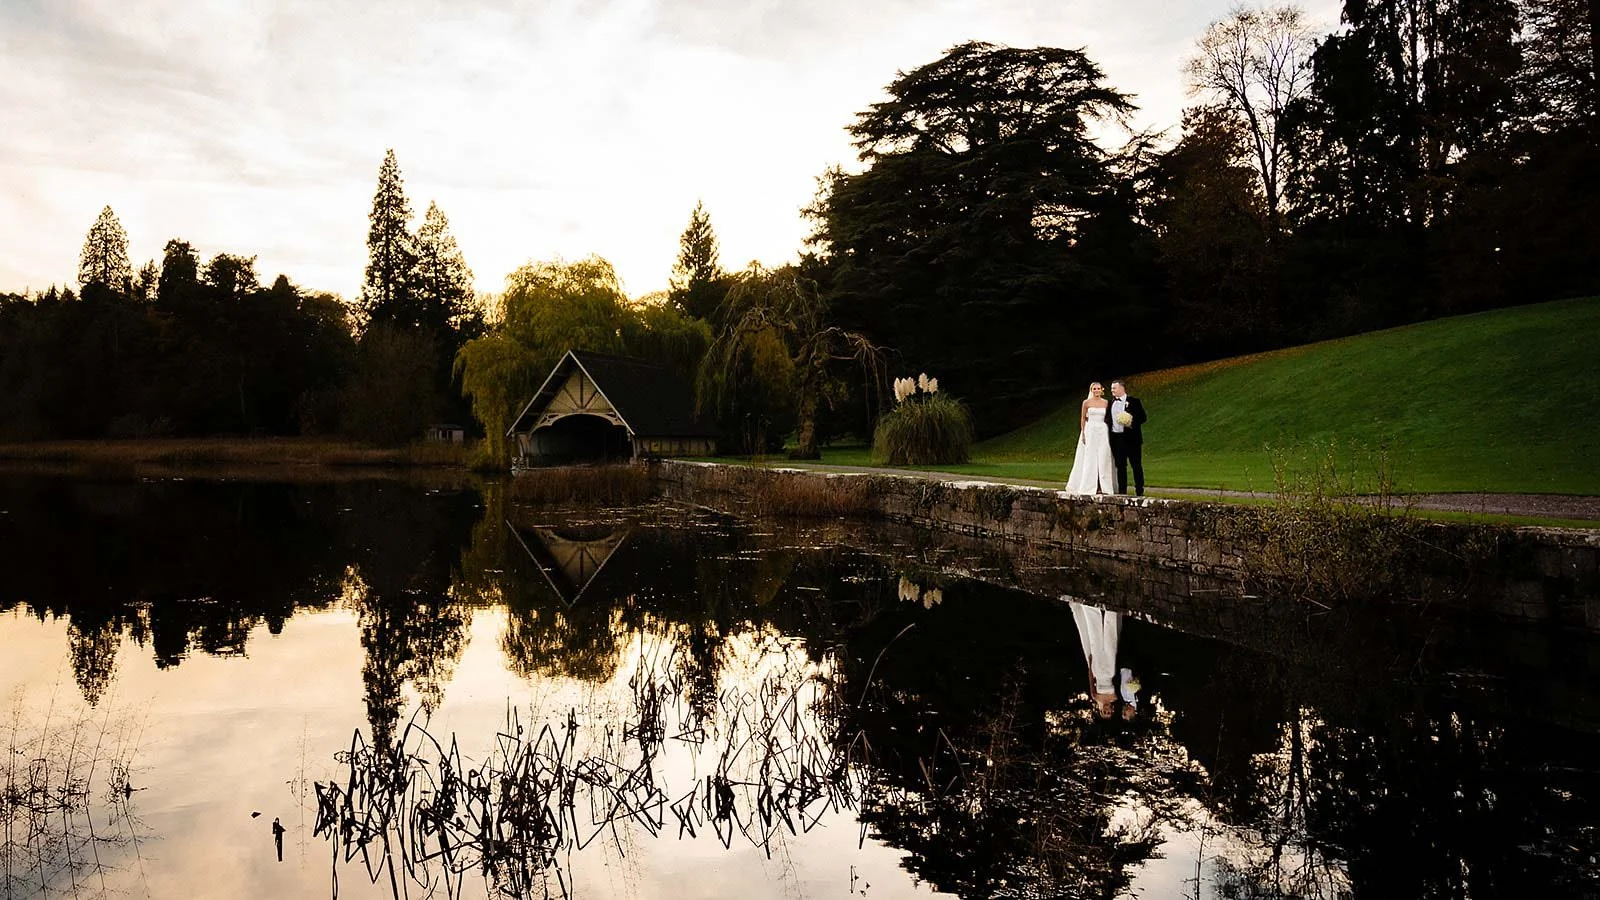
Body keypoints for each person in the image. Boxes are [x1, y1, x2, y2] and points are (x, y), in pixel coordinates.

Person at [1063, 382, 1116, 495]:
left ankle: (1104, 485)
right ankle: (1089, 485)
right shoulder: (1086, 403)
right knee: (1090, 457)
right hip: (1090, 429)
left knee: (1103, 456)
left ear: (1101, 390)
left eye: (1098, 389)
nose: (1096, 391)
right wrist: (1083, 432)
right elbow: (1083, 419)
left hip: (1102, 429)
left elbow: (1109, 417)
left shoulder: (1106, 403)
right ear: (1091, 390)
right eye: (1094, 389)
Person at [1107, 379, 1148, 496]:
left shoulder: (1134, 401)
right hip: (1117, 439)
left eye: (1114, 388)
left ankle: (1139, 491)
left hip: (1132, 439)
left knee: (1136, 465)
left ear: (1121, 388)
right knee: (1120, 466)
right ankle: (1122, 492)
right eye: (1111, 388)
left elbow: (1143, 417)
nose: (1112, 390)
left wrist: (1130, 421)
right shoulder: (1110, 404)